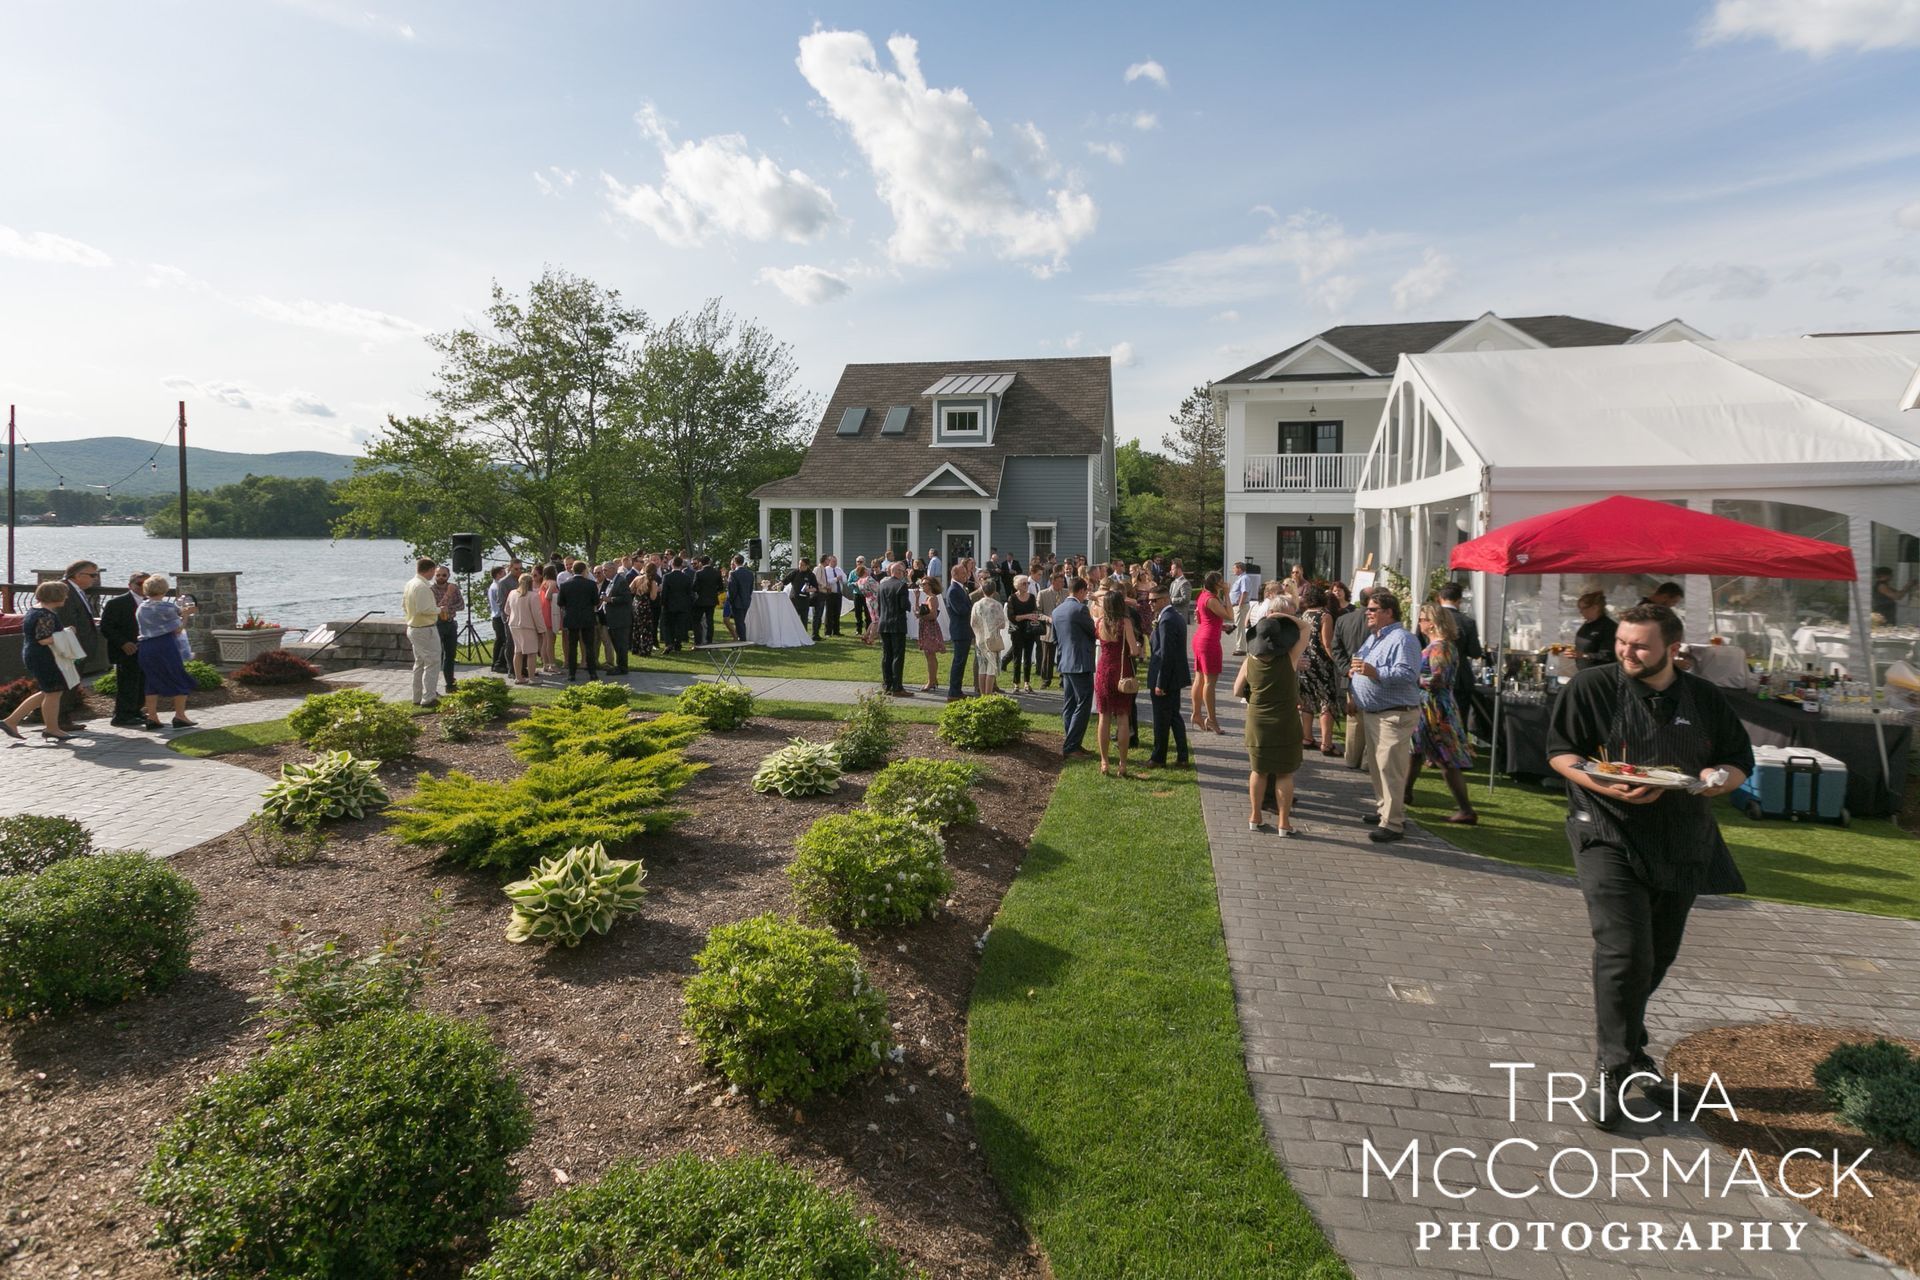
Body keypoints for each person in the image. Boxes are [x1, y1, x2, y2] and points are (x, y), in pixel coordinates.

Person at [1545, 604, 1752, 1129]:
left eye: (1640, 645)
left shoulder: (1704, 698)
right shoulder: (1591, 688)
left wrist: (1716, 777)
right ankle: (1613, 1065)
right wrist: (1606, 783)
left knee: (1658, 955)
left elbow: (1736, 762)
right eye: (1622, 642)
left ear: (1672, 649)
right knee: (1625, 948)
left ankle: (1633, 1052)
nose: (1627, 652)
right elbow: (1562, 754)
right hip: (1606, 830)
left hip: (1683, 838)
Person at [1349, 591, 1423, 844]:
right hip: (1374, 712)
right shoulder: (1375, 638)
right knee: (1378, 767)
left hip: (1394, 714)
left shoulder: (1403, 639)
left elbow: (1408, 673)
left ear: (1388, 612)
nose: (1367, 613)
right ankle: (1385, 811)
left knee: (1389, 768)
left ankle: (1393, 824)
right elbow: (1362, 664)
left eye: (1372, 609)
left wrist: (1373, 671)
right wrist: (1356, 674)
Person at [1407, 602, 1480, 826]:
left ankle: (1466, 810)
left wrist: (1411, 679)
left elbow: (1438, 678)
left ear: (1432, 623)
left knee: (1446, 759)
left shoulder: (1441, 647)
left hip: (1436, 709)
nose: (1419, 624)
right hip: (1429, 706)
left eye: (1421, 620)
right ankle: (1404, 793)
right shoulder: (1440, 646)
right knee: (1415, 752)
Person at [1235, 614, 1307, 834]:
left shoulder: (1249, 662)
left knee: (1258, 771)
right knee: (1285, 774)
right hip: (1286, 722)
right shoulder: (1290, 657)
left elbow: (1237, 691)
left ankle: (1255, 817)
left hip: (1258, 723)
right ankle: (1284, 824)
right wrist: (1282, 616)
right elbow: (1306, 628)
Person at [4, 581, 81, 742]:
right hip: (44, 657)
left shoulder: (34, 610)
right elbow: (43, 639)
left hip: (34, 654)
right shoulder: (46, 615)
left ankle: (10, 721)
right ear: (56, 596)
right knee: (53, 692)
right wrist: (67, 633)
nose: (66, 597)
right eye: (64, 594)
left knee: (48, 691)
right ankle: (52, 729)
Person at [132, 574, 199, 728]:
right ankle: (180, 716)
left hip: (145, 647)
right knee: (178, 677)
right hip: (164, 645)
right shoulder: (167, 607)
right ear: (164, 589)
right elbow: (177, 629)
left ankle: (152, 717)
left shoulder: (142, 607)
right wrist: (186, 615)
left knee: (151, 680)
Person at [1092, 587, 1141, 776]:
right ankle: (1122, 764)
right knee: (1122, 717)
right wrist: (1137, 646)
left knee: (1103, 717)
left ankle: (1104, 761)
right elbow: (1133, 651)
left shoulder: (1100, 623)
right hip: (1122, 671)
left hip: (1104, 670)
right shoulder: (1125, 622)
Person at [53, 559, 108, 718]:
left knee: (72, 683)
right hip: (72, 647)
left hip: (78, 646)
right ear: (78, 575)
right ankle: (60, 718)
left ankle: (62, 717)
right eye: (92, 575)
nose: (95, 579)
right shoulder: (65, 591)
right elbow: (67, 621)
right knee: (67, 684)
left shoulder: (76, 590)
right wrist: (74, 648)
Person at [1147, 582, 1191, 768]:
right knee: (1174, 717)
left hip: (1166, 677)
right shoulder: (1174, 616)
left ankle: (1158, 758)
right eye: (1149, 601)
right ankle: (1182, 756)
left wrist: (1160, 683)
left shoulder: (1166, 620)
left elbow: (1166, 654)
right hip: (1174, 676)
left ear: (1165, 599)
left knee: (1161, 720)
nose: (1150, 604)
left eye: (1153, 601)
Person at [1332, 586, 1377, 769]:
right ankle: (1366, 761)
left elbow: (1336, 648)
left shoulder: (1343, 619)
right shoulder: (1375, 622)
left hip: (1350, 675)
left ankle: (1351, 758)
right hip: (1370, 676)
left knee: (1354, 720)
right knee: (1371, 721)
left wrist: (1345, 669)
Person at [1053, 576, 1097, 758]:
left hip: (1065, 661)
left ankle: (1072, 742)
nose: (1086, 595)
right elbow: (1093, 632)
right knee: (1084, 703)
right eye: (1085, 592)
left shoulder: (1057, 611)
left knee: (1070, 703)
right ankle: (1071, 745)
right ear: (1080, 591)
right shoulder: (1080, 609)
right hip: (1080, 662)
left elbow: (1056, 638)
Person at [100, 571, 149, 727]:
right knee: (128, 682)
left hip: (146, 649)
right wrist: (124, 643)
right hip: (126, 650)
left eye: (146, 584)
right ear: (130, 585)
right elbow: (107, 627)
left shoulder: (152, 602)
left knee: (143, 682)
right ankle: (122, 715)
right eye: (139, 584)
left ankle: (136, 711)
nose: (143, 587)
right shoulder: (117, 603)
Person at [1296, 584, 1340, 755]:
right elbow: (1327, 643)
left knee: (1307, 700)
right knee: (1326, 701)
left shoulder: (1305, 615)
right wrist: (1336, 661)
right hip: (1321, 663)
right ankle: (1327, 743)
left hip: (1305, 662)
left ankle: (1307, 737)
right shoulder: (1325, 615)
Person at [1191, 570, 1232, 735]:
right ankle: (1211, 719)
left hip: (1201, 637)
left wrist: (1220, 626)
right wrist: (1227, 595)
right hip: (1208, 642)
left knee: (1200, 678)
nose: (1224, 584)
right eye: (1222, 581)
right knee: (1210, 682)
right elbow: (1230, 615)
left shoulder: (1202, 595)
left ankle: (1197, 714)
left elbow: (1202, 618)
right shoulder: (1212, 599)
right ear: (1216, 584)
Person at [401, 557, 444, 706]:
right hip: (425, 629)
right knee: (432, 662)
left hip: (413, 627)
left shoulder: (410, 584)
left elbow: (404, 605)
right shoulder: (422, 587)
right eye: (434, 571)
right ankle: (429, 697)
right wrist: (439, 610)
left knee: (419, 663)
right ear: (431, 570)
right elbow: (424, 609)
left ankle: (417, 697)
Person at [556, 559, 601, 681]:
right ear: (584, 570)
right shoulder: (591, 584)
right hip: (587, 617)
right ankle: (592, 673)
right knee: (589, 646)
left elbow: (560, 602)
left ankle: (572, 673)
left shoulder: (565, 585)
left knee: (572, 646)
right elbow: (596, 602)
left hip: (572, 618)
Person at [875, 562, 912, 696]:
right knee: (897, 655)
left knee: (886, 655)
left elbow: (879, 604)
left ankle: (887, 684)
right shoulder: (901, 586)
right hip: (897, 624)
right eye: (903, 572)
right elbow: (904, 606)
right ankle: (897, 687)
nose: (904, 574)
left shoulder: (882, 585)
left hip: (884, 623)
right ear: (898, 572)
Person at [971, 577, 1010, 699]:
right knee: (991, 669)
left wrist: (979, 632)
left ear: (982, 590)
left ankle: (983, 695)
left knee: (982, 667)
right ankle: (988, 695)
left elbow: (973, 623)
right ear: (994, 591)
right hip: (993, 639)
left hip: (980, 639)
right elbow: (1003, 624)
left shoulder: (977, 605)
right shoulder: (997, 605)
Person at [505, 572, 546, 684]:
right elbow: (537, 614)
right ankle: (532, 678)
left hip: (514, 625)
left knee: (517, 651)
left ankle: (518, 677)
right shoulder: (533, 596)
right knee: (531, 653)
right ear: (530, 583)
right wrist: (542, 629)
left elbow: (507, 610)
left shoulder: (512, 593)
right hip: (528, 626)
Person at [1006, 575, 1042, 694]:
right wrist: (1026, 616)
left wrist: (1036, 617)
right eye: (1024, 584)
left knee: (1028, 657)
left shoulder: (1031, 597)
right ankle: (1016, 684)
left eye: (1027, 583)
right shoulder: (1012, 598)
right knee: (1017, 657)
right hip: (1017, 631)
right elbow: (1011, 617)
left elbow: (1035, 611)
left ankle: (1027, 682)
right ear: (1017, 586)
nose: (1027, 585)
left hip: (1029, 631)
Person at [944, 562, 975, 700]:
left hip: (964, 630)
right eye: (963, 574)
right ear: (955, 575)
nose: (966, 576)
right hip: (960, 630)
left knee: (961, 662)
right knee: (958, 661)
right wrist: (974, 609)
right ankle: (953, 691)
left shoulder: (961, 588)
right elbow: (961, 610)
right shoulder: (953, 590)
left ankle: (957, 689)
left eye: (966, 573)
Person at [914, 573, 947, 691]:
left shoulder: (933, 598)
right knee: (929, 655)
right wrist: (917, 598)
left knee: (930, 655)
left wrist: (921, 616)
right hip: (925, 628)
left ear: (930, 585)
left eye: (924, 584)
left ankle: (931, 682)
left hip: (930, 629)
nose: (922, 585)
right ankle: (933, 679)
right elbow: (917, 612)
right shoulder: (927, 598)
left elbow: (933, 615)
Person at [432, 564, 462, 692]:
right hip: (437, 624)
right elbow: (436, 607)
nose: (441, 577)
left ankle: (450, 683)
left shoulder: (454, 588)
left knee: (450, 655)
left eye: (444, 575)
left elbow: (461, 605)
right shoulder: (431, 590)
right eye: (438, 575)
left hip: (450, 623)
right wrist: (448, 596)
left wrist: (447, 608)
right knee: (436, 655)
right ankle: (432, 687)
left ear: (448, 575)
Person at [1035, 570, 1067, 689]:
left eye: (1063, 581)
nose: (1062, 584)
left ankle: (1063, 680)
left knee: (1063, 656)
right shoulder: (1043, 594)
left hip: (1064, 631)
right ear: (1052, 582)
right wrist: (1048, 619)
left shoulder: (1067, 593)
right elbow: (1037, 613)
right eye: (1059, 582)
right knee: (1048, 656)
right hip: (1049, 630)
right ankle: (1046, 680)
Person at [602, 565, 635, 674]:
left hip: (620, 619)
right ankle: (620, 666)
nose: (604, 572)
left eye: (605, 570)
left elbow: (626, 598)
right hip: (613, 619)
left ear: (613, 569)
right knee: (617, 644)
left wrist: (610, 599)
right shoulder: (612, 581)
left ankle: (622, 667)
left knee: (621, 644)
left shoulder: (621, 581)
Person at [1573, 590, 1619, 670]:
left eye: (1583, 608)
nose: (1580, 612)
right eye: (1579, 608)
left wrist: (1583, 655)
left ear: (1595, 608)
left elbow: (1608, 655)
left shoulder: (1608, 627)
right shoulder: (1588, 623)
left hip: (1600, 674)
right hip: (1584, 672)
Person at [660, 556, 696, 652]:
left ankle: (669, 643)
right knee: (680, 626)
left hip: (669, 605)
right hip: (683, 605)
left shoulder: (667, 577)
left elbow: (664, 592)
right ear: (681, 565)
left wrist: (663, 603)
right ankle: (678, 643)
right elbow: (690, 593)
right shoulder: (687, 578)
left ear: (672, 564)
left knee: (668, 625)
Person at [486, 566, 514, 673]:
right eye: (503, 573)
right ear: (498, 575)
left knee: (499, 641)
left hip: (495, 616)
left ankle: (495, 663)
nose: (505, 575)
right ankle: (499, 663)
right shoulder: (497, 587)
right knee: (504, 641)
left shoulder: (493, 586)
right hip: (499, 617)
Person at [1227, 561, 1258, 655]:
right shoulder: (1241, 578)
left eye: (1234, 568)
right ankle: (1240, 647)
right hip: (1239, 606)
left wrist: (1240, 605)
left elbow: (1244, 592)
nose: (1233, 570)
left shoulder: (1244, 578)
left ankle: (1241, 649)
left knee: (1240, 627)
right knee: (1238, 626)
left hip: (1242, 606)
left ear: (1240, 569)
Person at [694, 555, 724, 646]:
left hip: (701, 600)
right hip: (712, 599)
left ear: (700, 563)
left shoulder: (699, 573)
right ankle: (709, 639)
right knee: (710, 620)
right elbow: (721, 587)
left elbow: (694, 587)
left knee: (696, 620)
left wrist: (700, 590)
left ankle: (698, 640)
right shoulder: (716, 573)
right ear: (709, 562)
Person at [725, 554, 755, 641]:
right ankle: (740, 638)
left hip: (736, 602)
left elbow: (732, 590)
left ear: (735, 562)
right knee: (741, 621)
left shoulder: (734, 574)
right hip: (746, 601)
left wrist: (730, 600)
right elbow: (750, 589)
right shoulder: (750, 574)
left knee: (739, 623)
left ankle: (742, 640)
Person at [815, 554, 844, 638]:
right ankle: (828, 632)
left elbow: (844, 579)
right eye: (832, 561)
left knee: (837, 612)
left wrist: (841, 579)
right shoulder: (825, 570)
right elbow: (825, 581)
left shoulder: (839, 569)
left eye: (836, 561)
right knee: (829, 613)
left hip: (838, 593)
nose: (835, 563)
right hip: (829, 593)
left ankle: (836, 631)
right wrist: (836, 579)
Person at [850, 557, 872, 635]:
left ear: (864, 562)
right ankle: (858, 630)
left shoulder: (868, 571)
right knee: (858, 613)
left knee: (868, 613)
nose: (859, 563)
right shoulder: (853, 572)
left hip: (866, 595)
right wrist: (854, 583)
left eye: (861, 561)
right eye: (858, 561)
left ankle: (868, 630)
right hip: (857, 594)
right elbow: (849, 583)